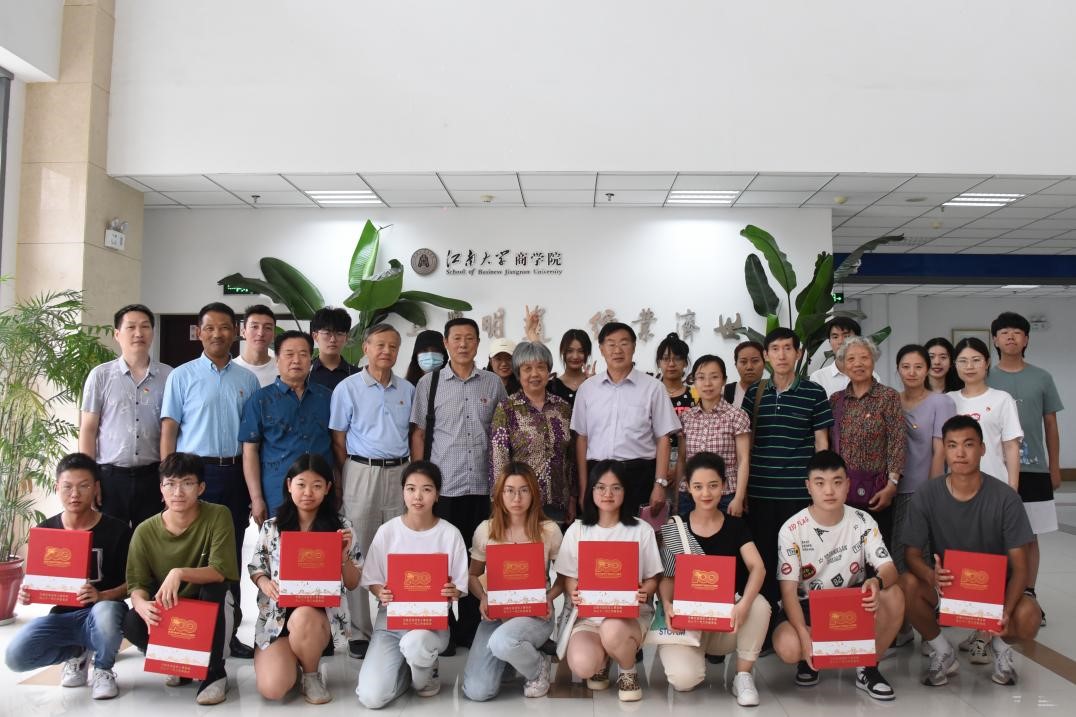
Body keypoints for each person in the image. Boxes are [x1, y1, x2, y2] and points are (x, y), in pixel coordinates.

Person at [898, 415, 1041, 687]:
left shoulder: (1006, 498)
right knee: (906, 584)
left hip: (995, 591)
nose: (960, 453)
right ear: (944, 450)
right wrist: (930, 576)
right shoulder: (927, 494)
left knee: (1029, 615)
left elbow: (1021, 568)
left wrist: (1006, 611)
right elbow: (911, 555)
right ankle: (943, 651)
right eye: (952, 445)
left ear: (983, 448)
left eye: (968, 444)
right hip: (947, 587)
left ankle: (999, 646)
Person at [161, 301, 259, 658]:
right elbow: (169, 429)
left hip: (234, 473)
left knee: (229, 555)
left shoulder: (247, 380)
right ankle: (187, 636)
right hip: (192, 475)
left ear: (236, 333)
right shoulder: (181, 376)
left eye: (224, 327)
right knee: (192, 553)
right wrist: (168, 480)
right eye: (210, 328)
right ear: (199, 332)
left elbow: (252, 440)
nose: (217, 334)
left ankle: (229, 634)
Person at [772, 450, 904, 701]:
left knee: (894, 595)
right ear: (808, 487)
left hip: (852, 603)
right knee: (788, 646)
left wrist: (876, 581)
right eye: (820, 483)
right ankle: (809, 660)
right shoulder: (791, 529)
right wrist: (804, 636)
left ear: (848, 485)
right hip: (808, 606)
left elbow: (889, 569)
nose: (829, 491)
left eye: (837, 481)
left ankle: (868, 667)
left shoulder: (863, 520)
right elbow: (787, 592)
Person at [409, 317, 506, 649]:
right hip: (445, 487)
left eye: (470, 338)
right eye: (457, 338)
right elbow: (419, 433)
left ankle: (472, 627)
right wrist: (421, 480)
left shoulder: (493, 383)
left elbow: (502, 433)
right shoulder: (430, 383)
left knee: (477, 558)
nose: (463, 344)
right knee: (444, 558)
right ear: (446, 343)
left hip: (482, 486)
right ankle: (443, 628)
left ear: (478, 343)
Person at [4, 454, 130, 700]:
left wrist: (102, 595)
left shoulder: (118, 530)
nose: (75, 494)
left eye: (83, 486)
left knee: (105, 612)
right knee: (15, 657)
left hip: (102, 613)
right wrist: (27, 593)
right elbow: (38, 581)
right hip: (62, 616)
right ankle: (77, 653)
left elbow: (134, 585)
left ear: (96, 488)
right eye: (67, 486)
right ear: (56, 488)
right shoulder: (45, 530)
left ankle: (103, 669)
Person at [123, 453, 239, 705]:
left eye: (187, 483)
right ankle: (179, 663)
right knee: (131, 621)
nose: (178, 492)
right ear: (161, 488)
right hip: (172, 610)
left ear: (201, 488)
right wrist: (140, 604)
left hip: (211, 606)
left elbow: (220, 570)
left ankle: (215, 674)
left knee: (214, 588)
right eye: (170, 484)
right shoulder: (144, 531)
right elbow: (138, 584)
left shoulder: (218, 515)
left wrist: (179, 572)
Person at [329, 323, 415, 659]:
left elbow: (412, 434)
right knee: (357, 548)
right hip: (361, 471)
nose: (386, 351)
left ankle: (394, 621)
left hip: (400, 473)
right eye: (380, 345)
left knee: (398, 548)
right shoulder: (347, 388)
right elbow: (338, 438)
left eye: (393, 346)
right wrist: (350, 472)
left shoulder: (407, 389)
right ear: (365, 347)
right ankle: (360, 632)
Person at [657, 452, 770, 706]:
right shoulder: (676, 527)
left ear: (724, 486)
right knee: (684, 681)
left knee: (759, 605)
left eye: (713, 485)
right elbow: (667, 577)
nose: (706, 493)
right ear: (688, 487)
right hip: (686, 625)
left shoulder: (736, 526)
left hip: (725, 623)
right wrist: (666, 603)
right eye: (698, 486)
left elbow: (758, 568)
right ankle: (693, 659)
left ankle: (743, 676)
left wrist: (743, 605)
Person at [248, 454, 361, 704]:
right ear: (289, 485)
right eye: (301, 484)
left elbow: (353, 583)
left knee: (303, 617)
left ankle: (311, 674)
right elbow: (256, 567)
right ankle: (292, 662)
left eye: (317, 485)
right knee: (273, 689)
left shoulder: (341, 528)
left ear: (328, 488)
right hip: (277, 620)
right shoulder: (272, 527)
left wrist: (342, 557)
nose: (308, 492)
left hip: (316, 620)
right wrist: (264, 582)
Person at [355, 462, 469, 708]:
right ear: (403, 492)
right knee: (371, 697)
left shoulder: (450, 534)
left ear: (437, 494)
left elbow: (459, 586)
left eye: (426, 489)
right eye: (411, 488)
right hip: (391, 622)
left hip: (431, 624)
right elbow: (372, 580)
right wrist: (380, 591)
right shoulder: (387, 532)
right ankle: (410, 670)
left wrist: (454, 591)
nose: (418, 496)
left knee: (416, 645)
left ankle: (425, 673)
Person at [555, 461, 664, 702]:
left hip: (629, 617)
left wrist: (645, 591)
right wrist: (574, 592)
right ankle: (602, 660)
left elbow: (653, 578)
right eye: (601, 487)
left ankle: (627, 670)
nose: (608, 494)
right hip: (589, 616)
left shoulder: (641, 530)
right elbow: (567, 576)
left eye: (616, 488)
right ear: (591, 490)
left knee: (612, 629)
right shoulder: (578, 530)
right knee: (582, 665)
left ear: (625, 491)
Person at [741, 328, 833, 604]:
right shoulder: (755, 393)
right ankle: (767, 617)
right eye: (775, 349)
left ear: (798, 353)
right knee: (764, 557)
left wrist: (819, 488)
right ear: (766, 355)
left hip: (798, 493)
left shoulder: (814, 393)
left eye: (787, 348)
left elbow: (821, 443)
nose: (781, 355)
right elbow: (744, 444)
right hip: (760, 492)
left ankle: (799, 615)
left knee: (801, 559)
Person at [461, 463, 564, 700]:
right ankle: (512, 658)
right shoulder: (486, 530)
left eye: (524, 490)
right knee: (477, 691)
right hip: (497, 614)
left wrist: (549, 598)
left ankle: (538, 668)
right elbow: (472, 575)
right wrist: (483, 597)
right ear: (499, 494)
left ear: (533, 493)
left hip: (536, 614)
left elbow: (565, 577)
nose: (516, 498)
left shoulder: (548, 530)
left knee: (503, 642)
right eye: (509, 490)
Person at [987, 312, 1064, 622]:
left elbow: (1051, 425)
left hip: (1034, 470)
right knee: (993, 536)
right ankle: (993, 595)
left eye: (1017, 332)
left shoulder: (1042, 377)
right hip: (995, 469)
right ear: (995, 339)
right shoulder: (986, 377)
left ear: (1026, 339)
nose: (1011, 337)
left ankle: (1029, 595)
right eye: (1004, 332)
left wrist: (1054, 467)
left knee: (1030, 536)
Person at [570, 322, 681, 518]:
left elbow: (663, 438)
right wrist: (584, 486)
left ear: (634, 347)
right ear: (601, 349)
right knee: (600, 534)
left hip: (639, 475)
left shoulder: (653, 387)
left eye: (624, 343)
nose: (617, 350)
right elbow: (582, 439)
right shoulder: (587, 389)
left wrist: (660, 484)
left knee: (639, 532)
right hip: (598, 475)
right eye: (611, 344)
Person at [79, 303, 172, 528]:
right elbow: (88, 430)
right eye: (131, 327)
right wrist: (90, 479)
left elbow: (172, 430)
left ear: (153, 332)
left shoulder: (169, 376)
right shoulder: (100, 375)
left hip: (153, 476)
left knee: (150, 541)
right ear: (117, 334)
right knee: (110, 540)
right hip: (109, 478)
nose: (139, 333)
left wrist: (168, 478)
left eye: (145, 326)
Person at [239, 330, 333, 522]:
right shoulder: (260, 400)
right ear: (277, 359)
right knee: (279, 540)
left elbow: (338, 444)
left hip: (320, 490)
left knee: (320, 539)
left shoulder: (327, 397)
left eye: (303, 354)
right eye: (289, 354)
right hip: (277, 490)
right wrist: (256, 498)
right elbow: (250, 452)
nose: (296, 360)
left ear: (311, 359)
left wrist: (338, 487)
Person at [828, 336, 906, 545]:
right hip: (842, 491)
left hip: (877, 491)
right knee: (843, 549)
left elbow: (897, 441)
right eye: (851, 359)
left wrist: (892, 484)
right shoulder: (835, 400)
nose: (858, 363)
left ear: (873, 361)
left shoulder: (888, 397)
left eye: (864, 357)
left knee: (876, 548)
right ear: (843, 365)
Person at [490, 341, 574, 524]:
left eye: (541, 367)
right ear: (518, 373)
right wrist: (500, 504)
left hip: (558, 504)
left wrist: (573, 499)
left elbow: (571, 459)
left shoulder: (563, 408)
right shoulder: (507, 409)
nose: (535, 374)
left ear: (548, 371)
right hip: (519, 505)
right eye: (527, 368)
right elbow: (499, 460)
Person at [892, 345, 956, 578]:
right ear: (897, 369)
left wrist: (932, 491)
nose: (912, 372)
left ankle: (927, 598)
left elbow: (940, 450)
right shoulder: (891, 399)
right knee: (896, 553)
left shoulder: (941, 402)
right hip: (891, 489)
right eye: (906, 367)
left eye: (918, 367)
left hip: (921, 488)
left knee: (920, 553)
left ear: (927, 369)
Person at [676, 355, 751, 518]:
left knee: (727, 535)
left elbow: (743, 460)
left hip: (725, 496)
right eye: (701, 377)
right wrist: (676, 497)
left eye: (714, 377)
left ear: (724, 380)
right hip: (690, 495)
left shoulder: (737, 416)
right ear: (694, 381)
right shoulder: (686, 417)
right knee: (687, 535)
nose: (707, 383)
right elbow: (681, 459)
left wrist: (739, 498)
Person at [948, 337, 1022, 489]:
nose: (969, 366)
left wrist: (1013, 489)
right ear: (955, 364)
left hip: (995, 485)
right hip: (955, 487)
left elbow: (1011, 446)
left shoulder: (1002, 399)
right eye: (963, 361)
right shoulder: (947, 400)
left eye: (976, 360)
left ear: (987, 363)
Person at [809, 317, 877, 397]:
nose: (840, 342)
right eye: (835, 337)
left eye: (846, 336)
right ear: (829, 341)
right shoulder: (818, 378)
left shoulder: (872, 376)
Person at [309, 306, 359, 391]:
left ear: (346, 338)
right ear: (315, 336)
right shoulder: (304, 373)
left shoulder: (357, 375)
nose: (333, 339)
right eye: (327, 333)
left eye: (339, 334)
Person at [232, 304, 278, 387]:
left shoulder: (282, 370)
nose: (260, 333)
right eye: (254, 326)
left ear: (274, 335)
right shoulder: (230, 369)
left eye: (267, 328)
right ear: (243, 332)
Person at [547, 328, 592, 407]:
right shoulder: (550, 386)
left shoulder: (595, 384)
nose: (575, 356)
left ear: (587, 353)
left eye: (581, 351)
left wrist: (594, 385)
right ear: (562, 351)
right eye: (570, 351)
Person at [725, 340, 765, 409]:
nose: (749, 367)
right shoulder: (724, 393)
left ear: (764, 364)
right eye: (743, 362)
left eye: (755, 361)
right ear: (736, 365)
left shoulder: (775, 393)